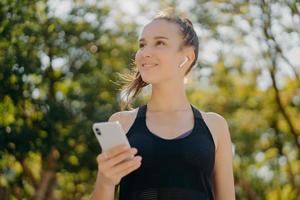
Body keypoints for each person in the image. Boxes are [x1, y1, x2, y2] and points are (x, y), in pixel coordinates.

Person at [90, 10, 235, 200]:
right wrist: (105, 181)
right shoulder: (121, 122)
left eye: (160, 43)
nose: (145, 52)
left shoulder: (215, 126)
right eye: (142, 45)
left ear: (187, 57)